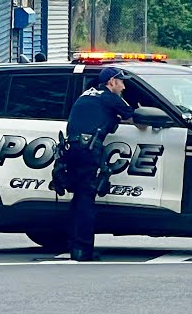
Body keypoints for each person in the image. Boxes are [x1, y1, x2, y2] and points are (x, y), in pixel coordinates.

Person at [60, 67, 135, 262]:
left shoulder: (87, 94)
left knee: (78, 199)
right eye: (121, 82)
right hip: (88, 150)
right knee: (86, 199)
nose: (124, 86)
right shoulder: (108, 97)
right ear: (111, 82)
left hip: (72, 148)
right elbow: (131, 115)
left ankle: (75, 246)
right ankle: (83, 250)